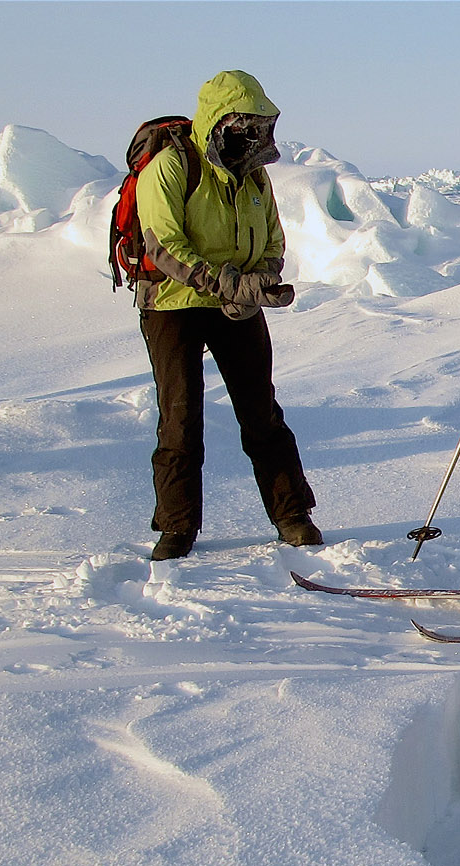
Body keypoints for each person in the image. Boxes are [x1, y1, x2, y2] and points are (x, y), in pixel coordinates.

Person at [134, 70, 320, 561]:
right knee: (180, 417)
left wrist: (261, 279)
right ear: (219, 122)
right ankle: (177, 529)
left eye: (258, 126)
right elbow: (162, 244)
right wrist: (226, 283)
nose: (253, 136)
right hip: (172, 305)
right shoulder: (173, 167)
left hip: (234, 303)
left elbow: (274, 238)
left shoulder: (253, 175)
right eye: (244, 125)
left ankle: (293, 515)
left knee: (262, 412)